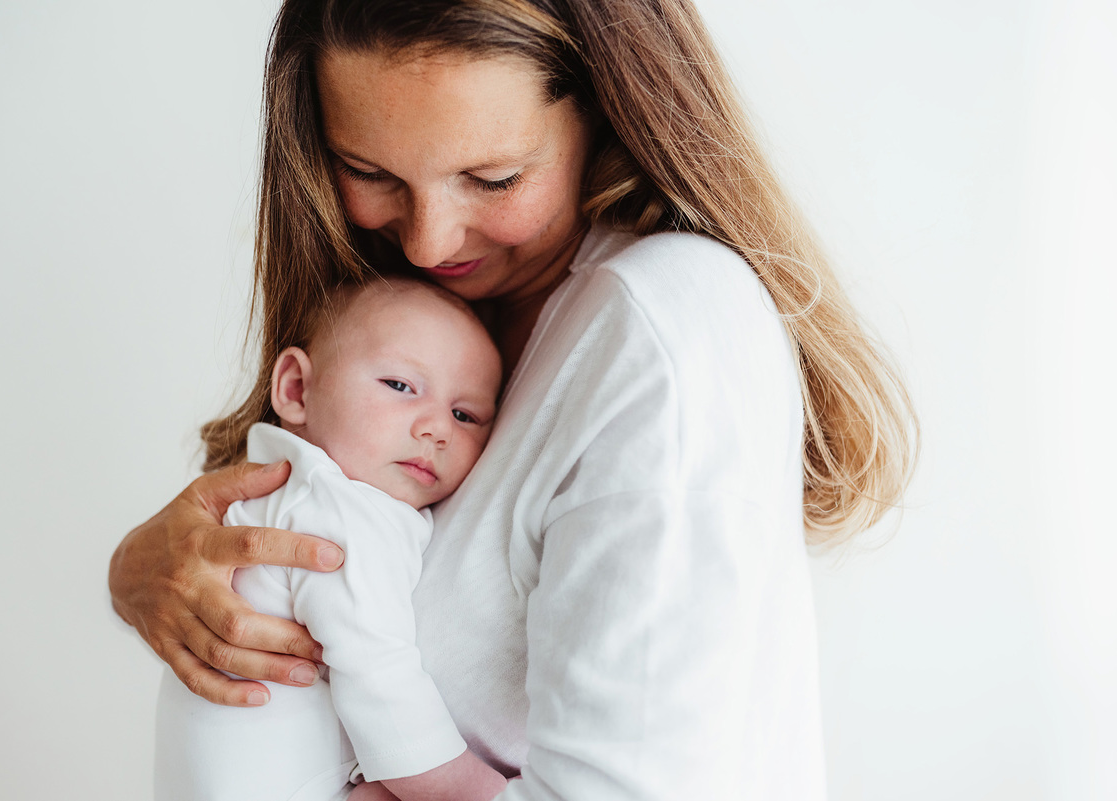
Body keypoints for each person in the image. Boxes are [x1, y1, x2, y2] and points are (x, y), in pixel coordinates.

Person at [110, 1, 918, 797]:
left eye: (493, 178)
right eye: (370, 172)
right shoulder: (439, 314)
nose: (428, 240)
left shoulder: (661, 331)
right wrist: (138, 575)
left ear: (606, 111)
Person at [155, 277, 507, 801]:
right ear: (296, 389)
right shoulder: (342, 510)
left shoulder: (285, 491)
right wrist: (476, 790)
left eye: (465, 415)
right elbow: (378, 675)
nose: (437, 428)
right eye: (400, 385)